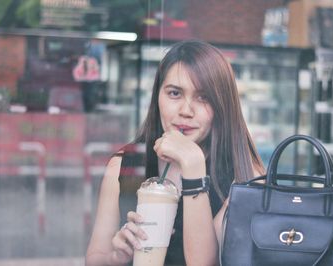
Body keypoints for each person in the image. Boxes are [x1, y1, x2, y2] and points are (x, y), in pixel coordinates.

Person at [85, 40, 265, 266]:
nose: (186, 111)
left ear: (222, 105)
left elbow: (204, 263)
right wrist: (116, 257)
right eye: (174, 93)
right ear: (157, 96)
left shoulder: (245, 177)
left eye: (204, 97)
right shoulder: (124, 165)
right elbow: (95, 258)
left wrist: (193, 167)